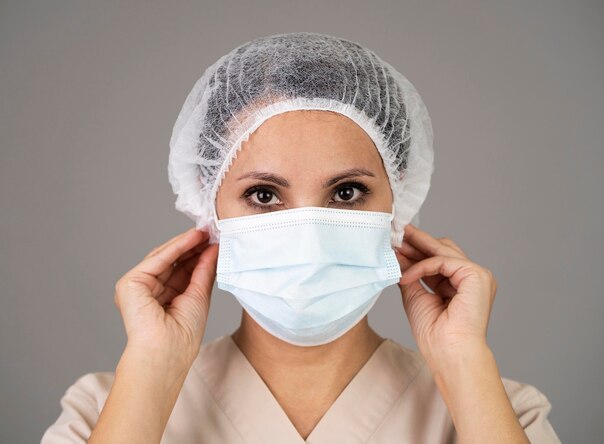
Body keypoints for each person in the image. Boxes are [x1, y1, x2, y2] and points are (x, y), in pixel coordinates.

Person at [42, 32, 561, 443]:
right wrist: (152, 368)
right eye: (264, 195)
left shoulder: (500, 412)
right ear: (209, 210)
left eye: (347, 192)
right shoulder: (103, 412)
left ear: (398, 205)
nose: (310, 233)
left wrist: (465, 361)